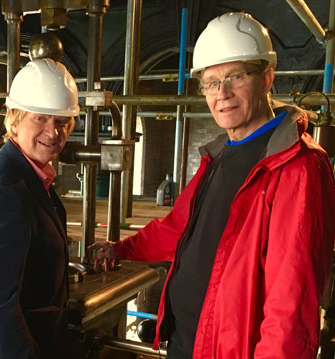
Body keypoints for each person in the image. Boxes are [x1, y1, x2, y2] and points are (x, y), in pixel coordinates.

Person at [90, 12, 335, 359]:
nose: (223, 93)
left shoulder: (298, 167)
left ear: (266, 77)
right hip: (186, 343)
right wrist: (122, 250)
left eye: (236, 76)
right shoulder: (219, 154)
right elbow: (178, 229)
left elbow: (290, 306)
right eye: (211, 82)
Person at [0, 58, 79, 359]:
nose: (53, 133)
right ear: (15, 118)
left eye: (61, 121)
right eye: (40, 118)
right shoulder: (6, 189)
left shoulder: (26, 172)